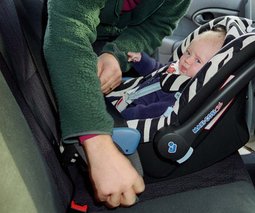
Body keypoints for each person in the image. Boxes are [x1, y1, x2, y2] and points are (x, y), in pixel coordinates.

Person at [43, 0, 191, 209]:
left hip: (120, 43)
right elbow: (68, 31)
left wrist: (116, 55)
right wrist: (97, 141)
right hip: (77, 42)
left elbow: (157, 26)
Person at [109, 29, 226, 120]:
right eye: (188, 52)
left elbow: (156, 110)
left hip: (131, 116)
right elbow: (157, 70)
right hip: (124, 100)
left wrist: (127, 114)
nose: (187, 60)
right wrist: (141, 60)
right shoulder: (177, 68)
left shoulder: (184, 92)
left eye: (198, 61)